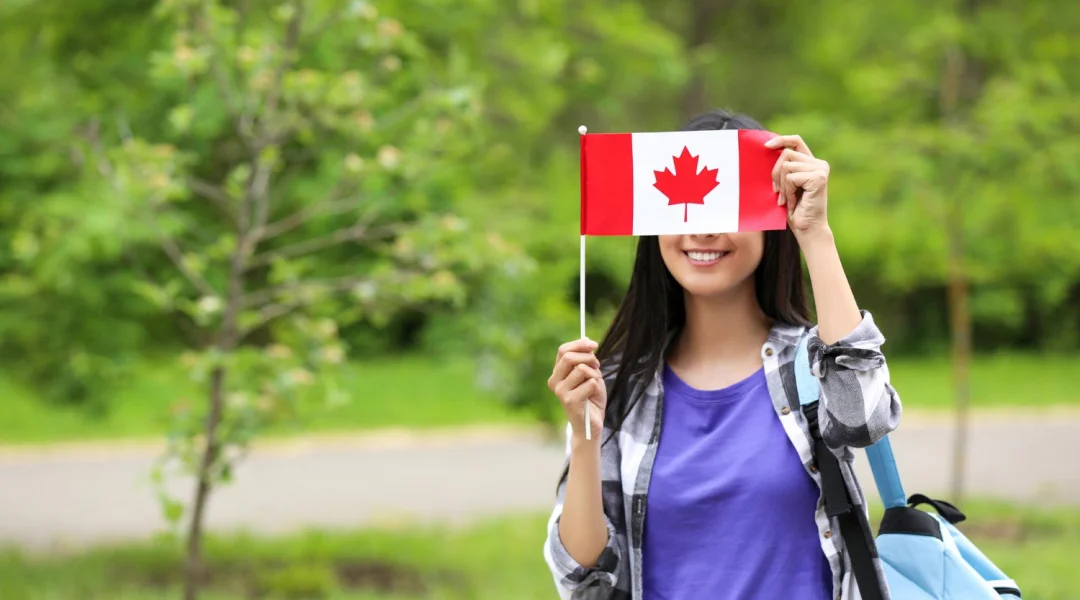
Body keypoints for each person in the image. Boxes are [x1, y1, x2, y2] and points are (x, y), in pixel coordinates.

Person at [542, 109, 903, 600]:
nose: (704, 230)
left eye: (725, 208)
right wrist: (585, 440)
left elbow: (864, 421)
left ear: (768, 221)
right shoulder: (615, 384)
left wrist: (816, 233)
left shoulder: (810, 364)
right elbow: (585, 583)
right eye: (684, 208)